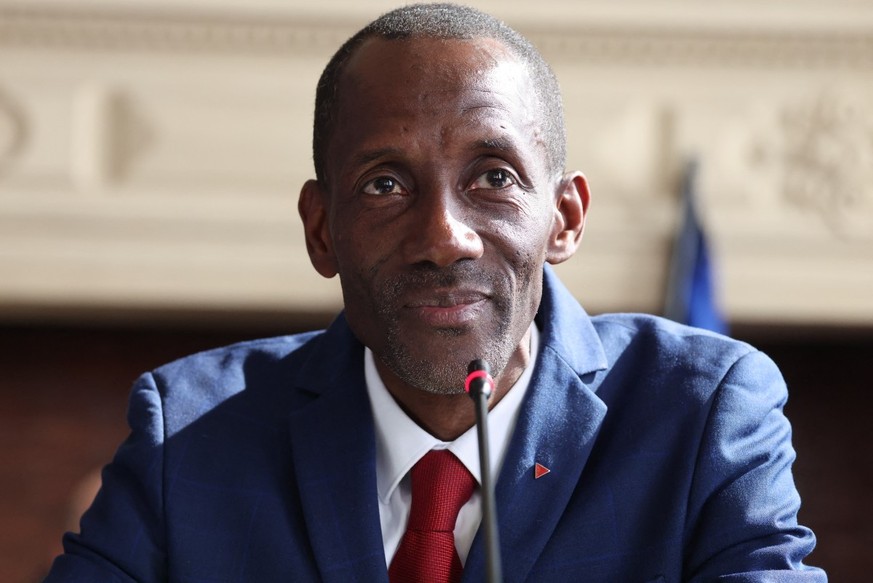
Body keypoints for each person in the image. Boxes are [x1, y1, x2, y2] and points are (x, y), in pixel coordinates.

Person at [45, 3, 825, 582]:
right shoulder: (189, 432)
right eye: (385, 183)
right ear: (322, 229)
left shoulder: (703, 411)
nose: (443, 236)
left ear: (565, 217)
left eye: (494, 176)